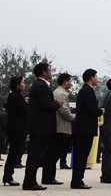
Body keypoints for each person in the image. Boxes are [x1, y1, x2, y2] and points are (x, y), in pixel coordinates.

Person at [22, 62, 64, 191]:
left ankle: (31, 180)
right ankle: (30, 182)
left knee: (37, 154)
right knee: (35, 155)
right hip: (40, 127)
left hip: (40, 127)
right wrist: (57, 104)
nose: (51, 73)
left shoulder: (40, 85)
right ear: (44, 72)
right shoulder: (40, 86)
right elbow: (45, 105)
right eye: (49, 70)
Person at [71, 68, 105, 189]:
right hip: (85, 129)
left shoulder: (84, 90)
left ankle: (77, 180)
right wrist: (101, 111)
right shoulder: (88, 91)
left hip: (82, 128)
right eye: (96, 76)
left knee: (81, 155)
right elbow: (91, 108)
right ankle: (77, 181)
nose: (97, 79)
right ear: (91, 77)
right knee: (81, 155)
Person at [41, 73, 75, 185]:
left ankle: (49, 176)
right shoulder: (61, 93)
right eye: (70, 81)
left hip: (59, 126)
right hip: (61, 127)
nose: (71, 83)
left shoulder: (58, 92)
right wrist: (74, 117)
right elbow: (64, 110)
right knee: (54, 153)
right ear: (65, 82)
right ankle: (48, 177)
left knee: (53, 152)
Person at [2, 76, 28, 186]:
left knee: (14, 152)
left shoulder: (13, 96)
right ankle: (8, 176)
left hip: (13, 127)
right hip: (16, 128)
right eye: (22, 82)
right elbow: (25, 111)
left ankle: (8, 176)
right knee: (14, 152)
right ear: (17, 85)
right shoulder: (17, 97)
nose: (24, 84)